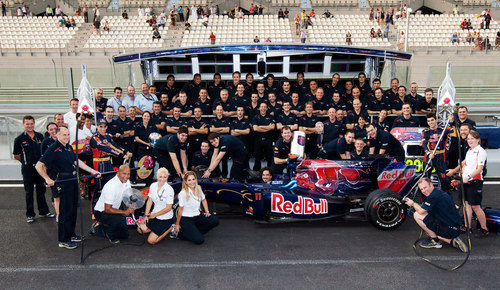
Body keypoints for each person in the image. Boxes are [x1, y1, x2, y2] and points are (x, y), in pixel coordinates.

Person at [36, 127, 100, 249]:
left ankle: (71, 234)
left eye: (68, 134)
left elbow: (76, 161)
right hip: (62, 182)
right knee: (64, 212)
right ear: (58, 135)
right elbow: (39, 165)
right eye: (64, 134)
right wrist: (47, 179)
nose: (67, 137)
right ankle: (63, 240)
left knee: (72, 210)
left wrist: (92, 171)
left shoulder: (68, 147)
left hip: (72, 180)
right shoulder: (53, 149)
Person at [404, 178, 467, 252]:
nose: (424, 191)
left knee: (417, 215)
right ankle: (452, 240)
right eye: (421, 189)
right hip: (456, 227)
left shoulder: (433, 196)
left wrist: (413, 204)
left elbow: (421, 211)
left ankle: (435, 240)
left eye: (425, 187)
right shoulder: (438, 192)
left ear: (431, 185)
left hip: (449, 229)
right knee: (427, 215)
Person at [13, 116, 54, 223]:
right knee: (29, 192)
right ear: (23, 124)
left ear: (34, 124)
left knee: (41, 190)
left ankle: (43, 211)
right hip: (28, 169)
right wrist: (26, 162)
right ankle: (30, 214)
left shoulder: (40, 136)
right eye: (27, 124)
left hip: (40, 169)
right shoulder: (19, 139)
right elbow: (16, 155)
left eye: (31, 123)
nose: (30, 126)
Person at [173, 171, 219, 244]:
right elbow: (180, 210)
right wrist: (177, 224)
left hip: (197, 216)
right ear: (186, 182)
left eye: (193, 179)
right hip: (186, 219)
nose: (192, 182)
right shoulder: (183, 193)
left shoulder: (198, 188)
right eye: (189, 180)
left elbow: (203, 200)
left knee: (215, 220)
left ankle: (194, 232)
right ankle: (180, 234)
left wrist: (207, 212)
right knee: (200, 240)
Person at [91, 165, 134, 244]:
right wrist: (124, 212)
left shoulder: (126, 181)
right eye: (124, 174)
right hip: (102, 211)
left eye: (128, 174)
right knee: (117, 222)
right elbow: (107, 209)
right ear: (118, 173)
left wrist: (131, 206)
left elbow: (129, 196)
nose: (126, 176)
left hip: (114, 209)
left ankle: (105, 226)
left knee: (125, 235)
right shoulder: (111, 186)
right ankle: (99, 229)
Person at [136, 168, 175, 244]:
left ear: (167, 177)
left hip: (165, 218)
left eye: (165, 177)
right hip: (154, 215)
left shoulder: (169, 189)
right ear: (157, 177)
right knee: (140, 229)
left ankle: (169, 228)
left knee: (151, 241)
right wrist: (146, 215)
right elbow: (150, 201)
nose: (162, 179)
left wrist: (154, 215)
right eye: (160, 177)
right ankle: (155, 229)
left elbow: (168, 208)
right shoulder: (153, 185)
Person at [461, 131, 489, 237]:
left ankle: (484, 228)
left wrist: (468, 177)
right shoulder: (469, 150)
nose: (470, 141)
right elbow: (466, 165)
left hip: (475, 181)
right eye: (468, 139)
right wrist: (462, 175)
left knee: (476, 206)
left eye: (472, 138)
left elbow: (480, 168)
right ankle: (467, 226)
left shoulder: (481, 151)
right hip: (466, 181)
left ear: (478, 140)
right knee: (466, 204)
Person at [422, 114, 453, 191]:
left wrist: (451, 121)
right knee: (425, 179)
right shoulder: (425, 131)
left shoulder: (443, 128)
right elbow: (424, 144)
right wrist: (428, 153)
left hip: (441, 156)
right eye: (428, 121)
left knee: (444, 179)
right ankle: (426, 199)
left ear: (436, 120)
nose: (430, 122)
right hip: (429, 156)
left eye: (432, 120)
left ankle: (445, 197)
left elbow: (452, 130)